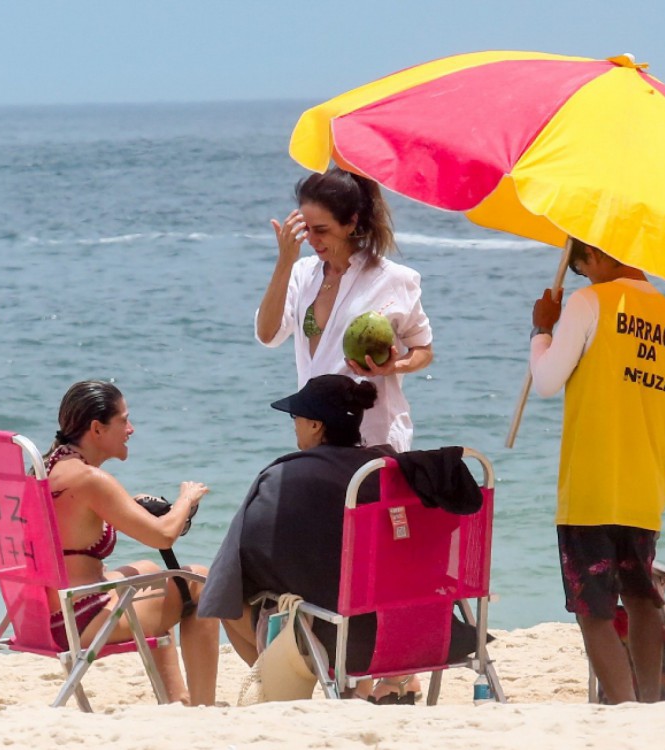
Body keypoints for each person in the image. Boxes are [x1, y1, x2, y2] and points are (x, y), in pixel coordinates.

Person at [199, 375, 464, 703]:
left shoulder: (284, 478)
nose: (293, 424)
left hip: (337, 644)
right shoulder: (396, 473)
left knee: (232, 603)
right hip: (419, 635)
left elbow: (242, 562)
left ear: (314, 425)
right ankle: (359, 689)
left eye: (296, 417)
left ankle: (282, 691)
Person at [528, 238, 665, 704]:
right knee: (642, 598)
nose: (584, 277)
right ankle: (650, 703)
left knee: (593, 608)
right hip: (647, 477)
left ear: (596, 256)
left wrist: (541, 331)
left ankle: (624, 709)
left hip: (594, 478)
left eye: (581, 268)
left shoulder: (589, 301)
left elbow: (546, 381)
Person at [42, 380, 219, 706]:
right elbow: (164, 535)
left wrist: (126, 509)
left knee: (149, 570)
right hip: (81, 620)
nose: (131, 429)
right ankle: (203, 707)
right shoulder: (89, 479)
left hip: (47, 614)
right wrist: (186, 498)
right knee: (202, 584)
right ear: (97, 428)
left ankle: (175, 698)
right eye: (123, 420)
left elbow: (73, 529)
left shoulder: (48, 468)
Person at [255, 166, 433, 451]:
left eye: (322, 230)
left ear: (351, 222)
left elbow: (423, 351)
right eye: (307, 230)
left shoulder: (394, 280)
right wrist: (284, 262)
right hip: (316, 436)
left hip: (374, 437)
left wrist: (393, 366)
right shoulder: (302, 274)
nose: (312, 241)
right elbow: (267, 335)